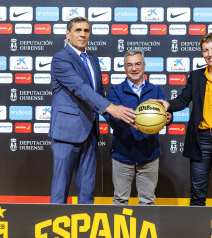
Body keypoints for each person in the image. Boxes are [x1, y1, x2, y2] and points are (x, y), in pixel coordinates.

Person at [48, 17, 136, 204]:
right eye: (78, 30)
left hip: (90, 132)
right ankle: (55, 231)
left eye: (86, 31)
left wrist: (118, 119)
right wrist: (112, 108)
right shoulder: (60, 58)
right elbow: (80, 88)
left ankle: (84, 231)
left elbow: (98, 94)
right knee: (60, 190)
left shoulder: (93, 59)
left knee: (87, 192)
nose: (82, 34)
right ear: (68, 33)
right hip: (66, 133)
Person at [154, 33, 212, 206]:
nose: (210, 54)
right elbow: (183, 99)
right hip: (201, 140)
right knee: (197, 194)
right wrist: (167, 104)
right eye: (205, 50)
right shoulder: (196, 76)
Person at [106, 49, 172, 205]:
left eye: (137, 64)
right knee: (120, 199)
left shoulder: (156, 90)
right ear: (124, 67)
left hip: (149, 156)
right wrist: (127, 119)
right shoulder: (116, 91)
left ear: (144, 65)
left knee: (147, 201)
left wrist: (169, 118)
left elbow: (164, 115)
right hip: (122, 155)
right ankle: (120, 230)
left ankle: (146, 230)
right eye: (129, 65)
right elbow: (110, 119)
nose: (134, 68)